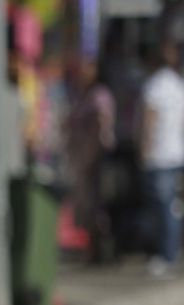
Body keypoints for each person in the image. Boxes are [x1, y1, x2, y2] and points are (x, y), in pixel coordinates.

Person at [140, 41, 184, 277]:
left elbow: (149, 120)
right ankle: (172, 252)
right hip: (177, 153)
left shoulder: (154, 85)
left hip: (160, 155)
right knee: (173, 207)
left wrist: (145, 148)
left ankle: (167, 255)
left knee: (163, 208)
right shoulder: (180, 86)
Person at [66, 56, 117, 262]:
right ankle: (92, 251)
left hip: (96, 159)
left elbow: (101, 124)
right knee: (88, 207)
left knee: (97, 207)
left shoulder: (99, 96)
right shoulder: (82, 95)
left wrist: (90, 154)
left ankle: (101, 251)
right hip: (84, 158)